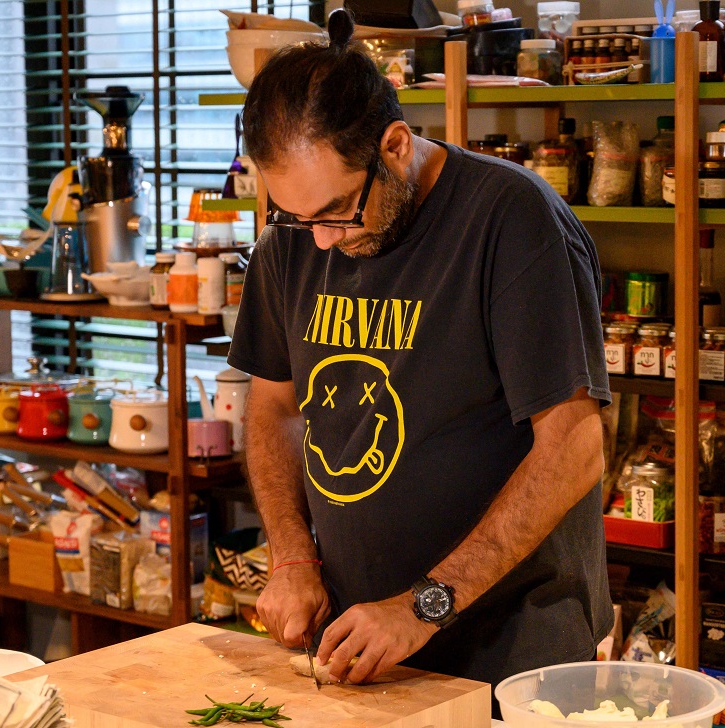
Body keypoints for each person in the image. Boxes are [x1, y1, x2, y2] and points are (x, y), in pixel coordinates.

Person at [227, 8, 613, 691]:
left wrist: (423, 606)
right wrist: (291, 557)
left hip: (511, 651)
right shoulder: (293, 238)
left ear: (396, 146)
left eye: (337, 211)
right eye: (295, 217)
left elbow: (574, 447)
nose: (320, 240)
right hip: (360, 645)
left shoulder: (511, 221)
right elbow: (276, 406)